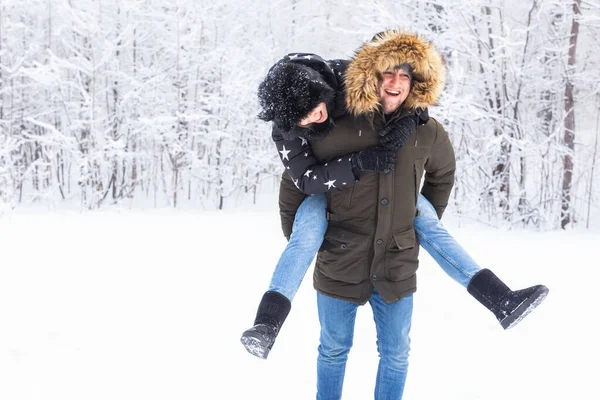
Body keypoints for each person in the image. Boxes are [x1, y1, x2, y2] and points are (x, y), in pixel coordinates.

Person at [243, 30, 548, 398]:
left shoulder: (406, 119)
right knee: (333, 349)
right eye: (387, 73)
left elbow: (440, 170)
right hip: (337, 246)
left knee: (397, 353)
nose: (394, 82)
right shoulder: (315, 125)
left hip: (396, 263)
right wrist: (306, 227)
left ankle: (501, 299)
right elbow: (296, 181)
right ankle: (267, 323)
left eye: (405, 76)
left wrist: (411, 220)